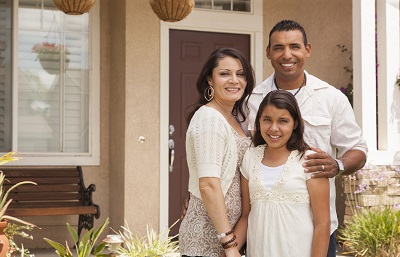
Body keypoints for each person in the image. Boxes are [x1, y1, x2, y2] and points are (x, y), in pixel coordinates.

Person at [243, 20, 368, 257]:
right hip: (265, 229)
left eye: (294, 46)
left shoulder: (331, 98)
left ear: (307, 50)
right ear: (268, 52)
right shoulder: (253, 99)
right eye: (278, 47)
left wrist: (338, 165)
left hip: (320, 227)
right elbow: (241, 154)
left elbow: (358, 149)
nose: (286, 54)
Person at [179, 47, 255, 257]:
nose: (234, 80)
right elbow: (209, 184)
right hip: (207, 240)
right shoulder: (209, 118)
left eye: (240, 74)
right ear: (210, 80)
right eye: (224, 74)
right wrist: (229, 244)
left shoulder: (234, 119)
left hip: (228, 237)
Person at [237, 90, 330, 256]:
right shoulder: (250, 158)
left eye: (283, 121)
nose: (274, 128)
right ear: (259, 121)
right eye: (267, 120)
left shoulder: (310, 161)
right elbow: (246, 216)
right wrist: (229, 249)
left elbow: (322, 224)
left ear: (295, 123)